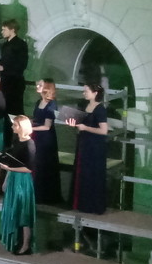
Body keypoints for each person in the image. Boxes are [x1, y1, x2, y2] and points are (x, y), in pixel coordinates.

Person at [67, 83, 111, 215]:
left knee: (92, 174)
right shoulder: (85, 106)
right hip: (84, 143)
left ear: (95, 93)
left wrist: (85, 128)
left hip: (95, 146)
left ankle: (93, 205)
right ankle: (81, 203)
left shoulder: (100, 109)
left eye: (86, 91)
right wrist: (75, 124)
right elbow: (81, 125)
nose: (84, 93)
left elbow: (103, 130)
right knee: (82, 173)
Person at [0, 115, 37, 254]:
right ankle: (15, 240)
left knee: (23, 212)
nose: (12, 127)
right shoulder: (16, 140)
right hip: (13, 178)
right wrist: (6, 178)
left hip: (23, 180)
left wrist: (9, 169)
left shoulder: (29, 144)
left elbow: (29, 169)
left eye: (15, 125)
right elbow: (12, 160)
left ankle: (26, 244)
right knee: (13, 210)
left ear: (22, 127)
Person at [30, 79, 65, 204]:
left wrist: (30, 128)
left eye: (40, 85)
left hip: (46, 139)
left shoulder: (52, 104)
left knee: (44, 164)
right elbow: (36, 119)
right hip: (36, 136)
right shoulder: (38, 102)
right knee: (35, 164)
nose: (37, 86)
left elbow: (47, 126)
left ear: (47, 87)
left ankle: (44, 196)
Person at [0, 19, 29, 112]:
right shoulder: (5, 45)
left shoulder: (21, 44)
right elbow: (3, 60)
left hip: (15, 82)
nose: (2, 32)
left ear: (12, 30)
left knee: (15, 108)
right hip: (5, 80)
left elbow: (22, 64)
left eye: (4, 29)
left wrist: (4, 68)